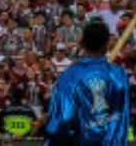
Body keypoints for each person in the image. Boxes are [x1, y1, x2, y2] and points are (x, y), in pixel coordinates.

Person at [43, 18, 129, 146]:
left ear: (81, 43)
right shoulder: (119, 75)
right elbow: (122, 117)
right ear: (106, 45)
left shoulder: (69, 77)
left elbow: (64, 119)